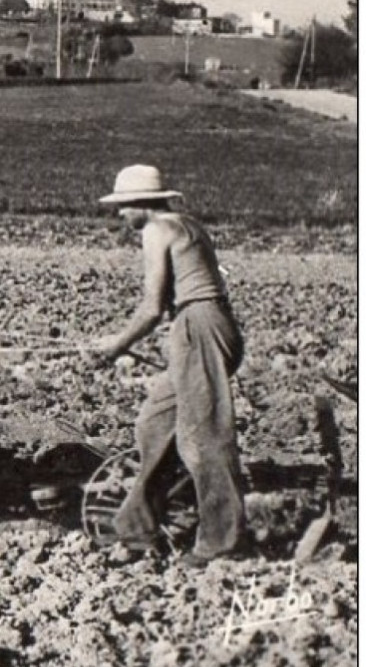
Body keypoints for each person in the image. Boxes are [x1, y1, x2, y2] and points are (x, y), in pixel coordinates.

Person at [89, 164, 247, 560]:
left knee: (203, 439)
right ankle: (137, 528)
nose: (121, 215)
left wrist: (115, 344)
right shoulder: (186, 224)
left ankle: (220, 542)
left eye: (124, 207)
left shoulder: (156, 230)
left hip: (198, 329)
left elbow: (151, 307)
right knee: (154, 424)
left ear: (141, 204)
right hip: (203, 327)